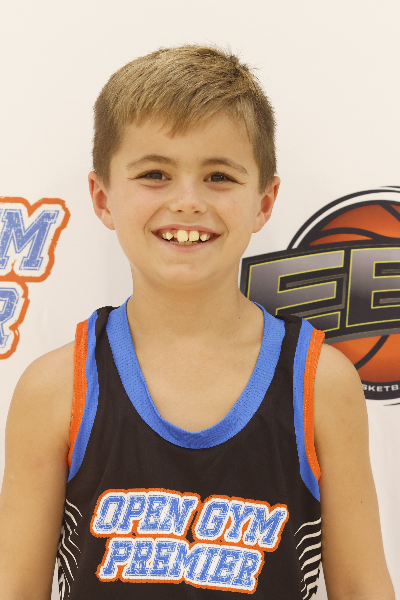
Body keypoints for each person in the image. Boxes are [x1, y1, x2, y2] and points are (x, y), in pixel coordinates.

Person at [0, 45, 395, 600]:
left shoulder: (320, 384)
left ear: (264, 202)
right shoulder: (55, 388)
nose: (187, 202)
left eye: (218, 176)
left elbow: (362, 587)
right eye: (155, 174)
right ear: (103, 197)